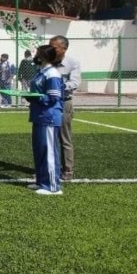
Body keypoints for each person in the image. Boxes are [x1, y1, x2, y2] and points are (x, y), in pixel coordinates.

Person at [26, 45, 65, 195]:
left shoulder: (52, 73)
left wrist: (35, 98)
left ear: (43, 55)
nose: (35, 55)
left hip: (48, 116)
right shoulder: (41, 71)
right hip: (39, 115)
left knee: (48, 151)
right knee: (39, 150)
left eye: (38, 53)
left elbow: (53, 97)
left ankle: (53, 187)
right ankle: (42, 181)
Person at [50, 35, 81, 181]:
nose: (51, 49)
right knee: (49, 137)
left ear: (64, 48)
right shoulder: (47, 61)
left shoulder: (72, 62)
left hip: (63, 102)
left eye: (54, 47)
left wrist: (58, 86)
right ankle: (50, 168)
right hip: (48, 103)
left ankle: (67, 169)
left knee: (64, 137)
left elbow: (75, 82)